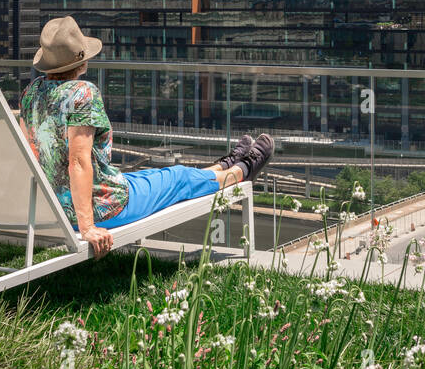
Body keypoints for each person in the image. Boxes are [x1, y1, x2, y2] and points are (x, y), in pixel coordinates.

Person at [18, 16, 274, 258]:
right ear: (81, 61)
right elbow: (78, 161)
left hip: (53, 207)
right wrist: (87, 228)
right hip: (99, 208)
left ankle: (222, 166)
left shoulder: (32, 93)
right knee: (178, 177)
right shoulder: (82, 93)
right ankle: (242, 171)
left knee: (151, 175)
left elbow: (27, 153)